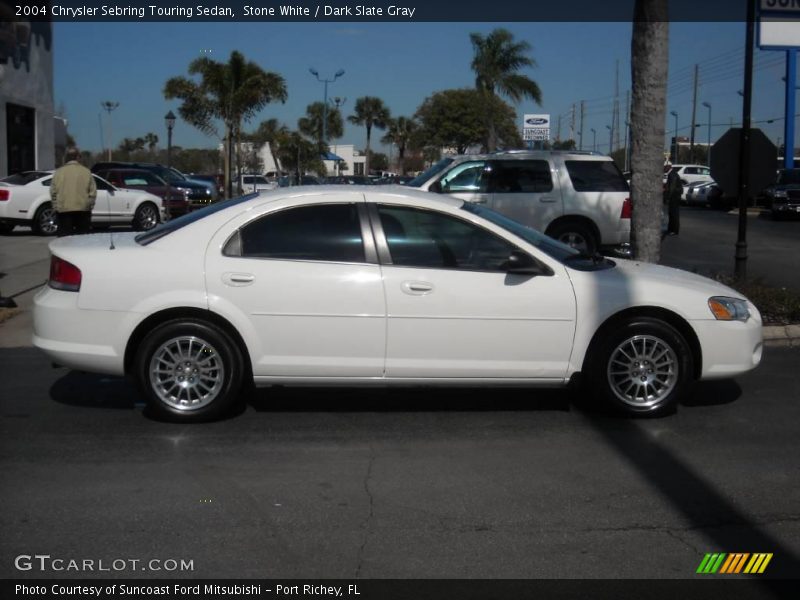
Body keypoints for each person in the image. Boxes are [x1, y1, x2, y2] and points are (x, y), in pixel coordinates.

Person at [50, 147, 96, 237]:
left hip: (63, 211)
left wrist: (56, 207)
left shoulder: (58, 173)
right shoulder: (86, 172)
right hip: (83, 211)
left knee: (64, 241)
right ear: (78, 157)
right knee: (82, 241)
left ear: (67, 157)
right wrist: (89, 206)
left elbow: (53, 192)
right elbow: (93, 193)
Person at [664, 166, 682, 236]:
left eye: (664, 168)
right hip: (675, 196)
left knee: (674, 214)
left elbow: (672, 187)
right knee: (672, 214)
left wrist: (668, 198)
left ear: (667, 168)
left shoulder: (672, 175)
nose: (663, 170)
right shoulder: (672, 174)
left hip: (674, 197)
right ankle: (671, 229)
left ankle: (674, 230)